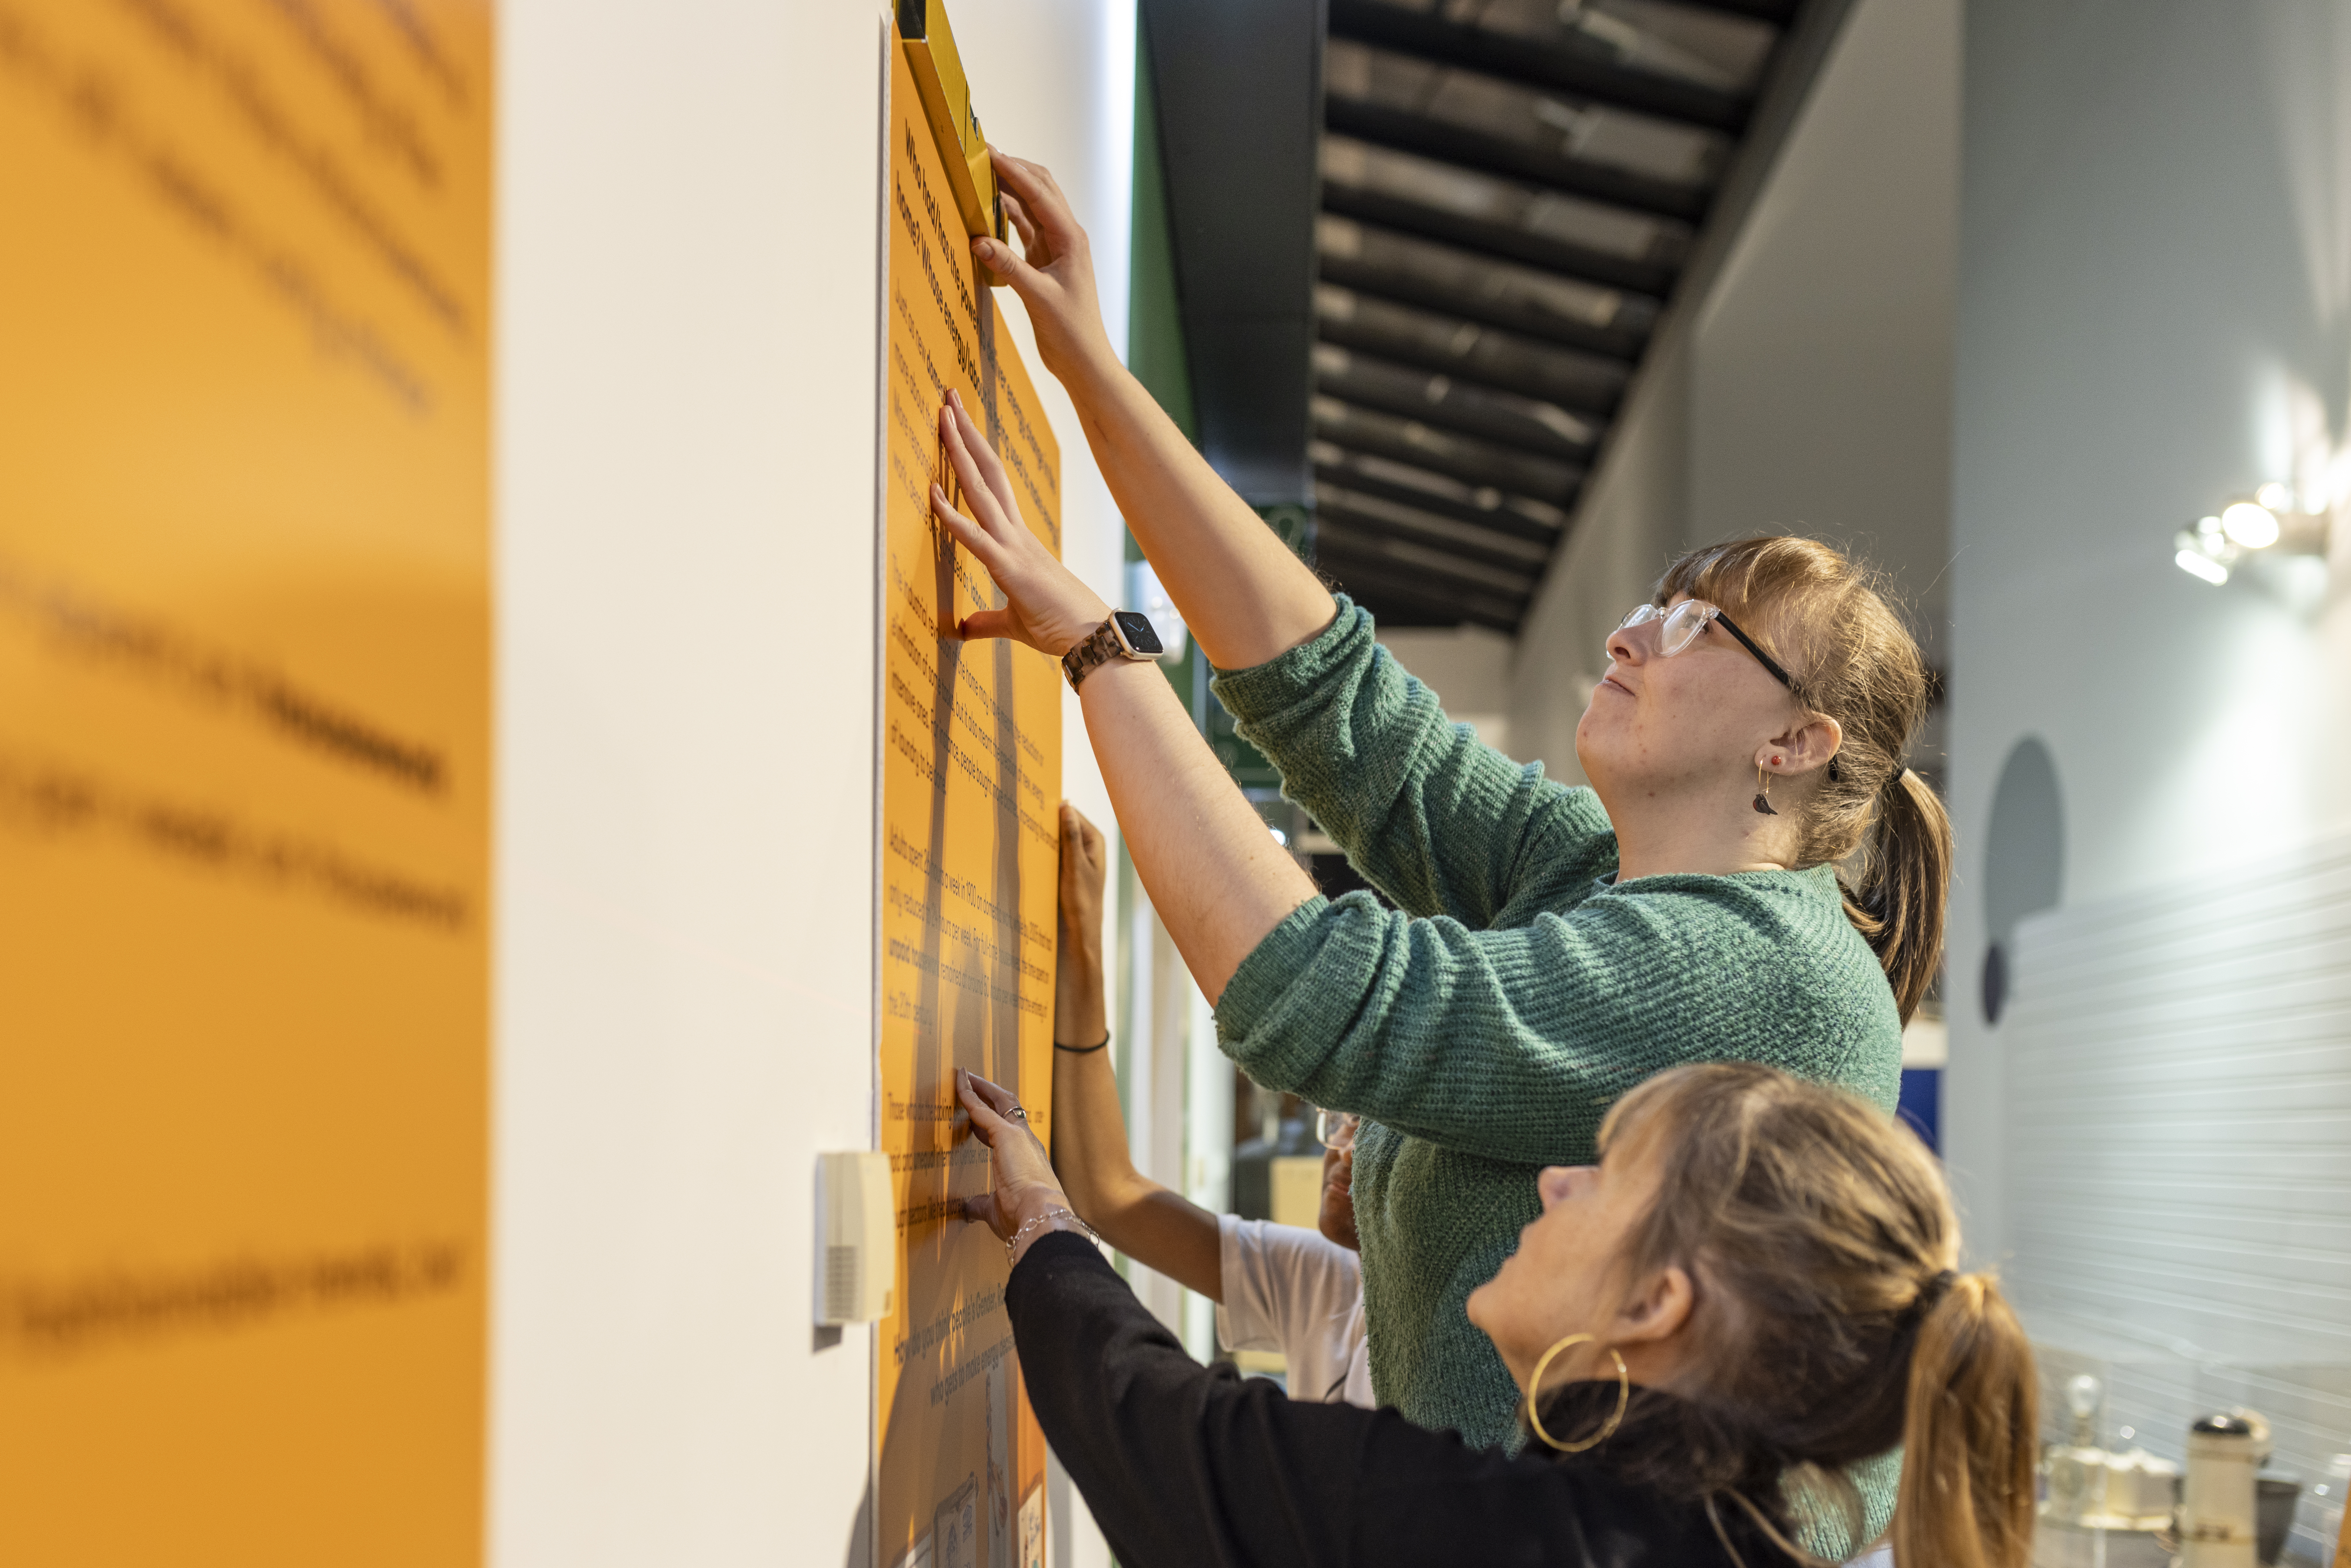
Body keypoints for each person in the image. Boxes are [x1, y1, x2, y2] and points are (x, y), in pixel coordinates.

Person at [926, 147, 1954, 1541]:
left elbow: (1328, 997)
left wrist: (1105, 651)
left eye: (1702, 624)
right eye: (1654, 603)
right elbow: (1345, 711)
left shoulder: (1765, 977)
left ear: (1797, 741)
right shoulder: (1599, 869)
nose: (1634, 632)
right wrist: (1093, 374)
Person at [955, 1059, 2036, 1568]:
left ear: (1660, 1299)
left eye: (1607, 1174)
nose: (1556, 1181)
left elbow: (1152, 1423)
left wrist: (1044, 1218)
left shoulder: (1505, 1533)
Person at [1049, 801, 1371, 1407]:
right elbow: (1107, 1195)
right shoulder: (1328, 1280)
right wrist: (1082, 953)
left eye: (1372, 1131)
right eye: (1346, 1121)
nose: (1340, 1148)